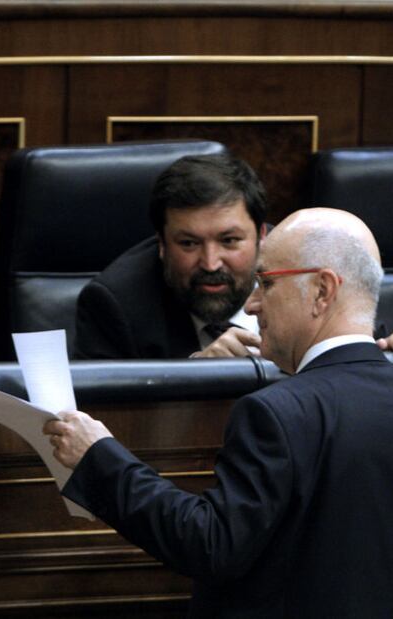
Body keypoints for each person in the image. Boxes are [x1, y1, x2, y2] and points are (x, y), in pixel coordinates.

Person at [45, 207, 393, 618]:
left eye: (266, 283)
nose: (253, 303)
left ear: (322, 290)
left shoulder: (276, 413)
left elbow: (210, 545)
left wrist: (99, 458)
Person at [73, 153, 268, 359]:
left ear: (262, 236)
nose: (210, 264)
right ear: (162, 245)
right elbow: (106, 391)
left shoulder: (300, 273)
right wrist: (199, 377)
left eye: (229, 241)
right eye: (189, 243)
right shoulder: (116, 305)